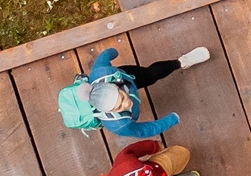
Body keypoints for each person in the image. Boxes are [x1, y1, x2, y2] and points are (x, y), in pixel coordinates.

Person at [59, 45, 210, 140]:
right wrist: (172, 119)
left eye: (122, 96)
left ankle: (180, 62)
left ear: (114, 85)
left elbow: (104, 56)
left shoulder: (102, 72)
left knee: (151, 74)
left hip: (127, 78)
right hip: (126, 83)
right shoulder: (119, 125)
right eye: (118, 107)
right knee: (149, 76)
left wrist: (113, 52)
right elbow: (144, 130)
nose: (127, 103)